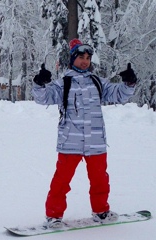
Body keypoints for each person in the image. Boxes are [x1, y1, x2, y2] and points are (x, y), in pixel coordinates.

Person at [32, 39, 137, 228]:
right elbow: (44, 97)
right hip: (70, 141)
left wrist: (129, 83)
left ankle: (101, 211)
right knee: (61, 181)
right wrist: (40, 84)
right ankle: (54, 215)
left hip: (96, 141)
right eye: (81, 57)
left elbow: (117, 94)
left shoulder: (97, 82)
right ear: (73, 59)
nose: (85, 61)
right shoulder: (64, 83)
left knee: (100, 179)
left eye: (88, 58)